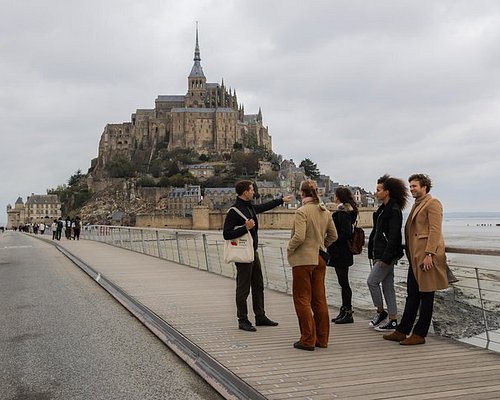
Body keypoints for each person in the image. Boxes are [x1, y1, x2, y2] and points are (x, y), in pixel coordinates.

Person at [384, 174, 448, 345]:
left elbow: (435, 231)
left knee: (427, 296)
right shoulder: (417, 204)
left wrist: (429, 254)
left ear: (424, 187)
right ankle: (403, 330)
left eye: (414, 186)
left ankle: (419, 334)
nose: (411, 189)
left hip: (425, 258)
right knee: (412, 294)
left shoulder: (433, 203)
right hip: (415, 257)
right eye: (410, 186)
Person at [223, 180, 292, 332]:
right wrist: (244, 228)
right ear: (245, 192)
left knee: (258, 284)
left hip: (252, 252)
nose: (254, 192)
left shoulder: (249, 207)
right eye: (251, 190)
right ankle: (242, 319)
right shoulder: (234, 211)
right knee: (243, 288)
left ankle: (260, 316)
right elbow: (226, 234)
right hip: (243, 254)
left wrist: (281, 200)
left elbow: (263, 207)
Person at [287, 180, 337, 351]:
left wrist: (290, 248)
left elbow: (299, 237)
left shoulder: (301, 212)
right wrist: (321, 245)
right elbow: (333, 236)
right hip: (320, 258)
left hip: (303, 259)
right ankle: (322, 339)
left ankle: (307, 339)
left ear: (302, 193)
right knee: (319, 299)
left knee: (302, 299)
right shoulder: (325, 211)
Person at [367, 175, 409, 332]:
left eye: (378, 190)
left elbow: (394, 237)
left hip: (386, 255)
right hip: (380, 253)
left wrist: (386, 257)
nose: (375, 192)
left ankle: (381, 312)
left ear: (387, 191)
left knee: (371, 282)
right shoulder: (383, 209)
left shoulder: (393, 210)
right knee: (388, 286)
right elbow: (377, 233)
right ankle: (392, 320)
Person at [327, 187, 358, 324]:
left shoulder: (343, 212)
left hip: (341, 252)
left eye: (335, 195)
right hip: (341, 251)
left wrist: (332, 240)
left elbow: (346, 233)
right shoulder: (346, 211)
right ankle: (344, 309)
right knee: (343, 282)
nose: (333, 196)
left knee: (344, 283)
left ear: (339, 196)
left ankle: (348, 312)